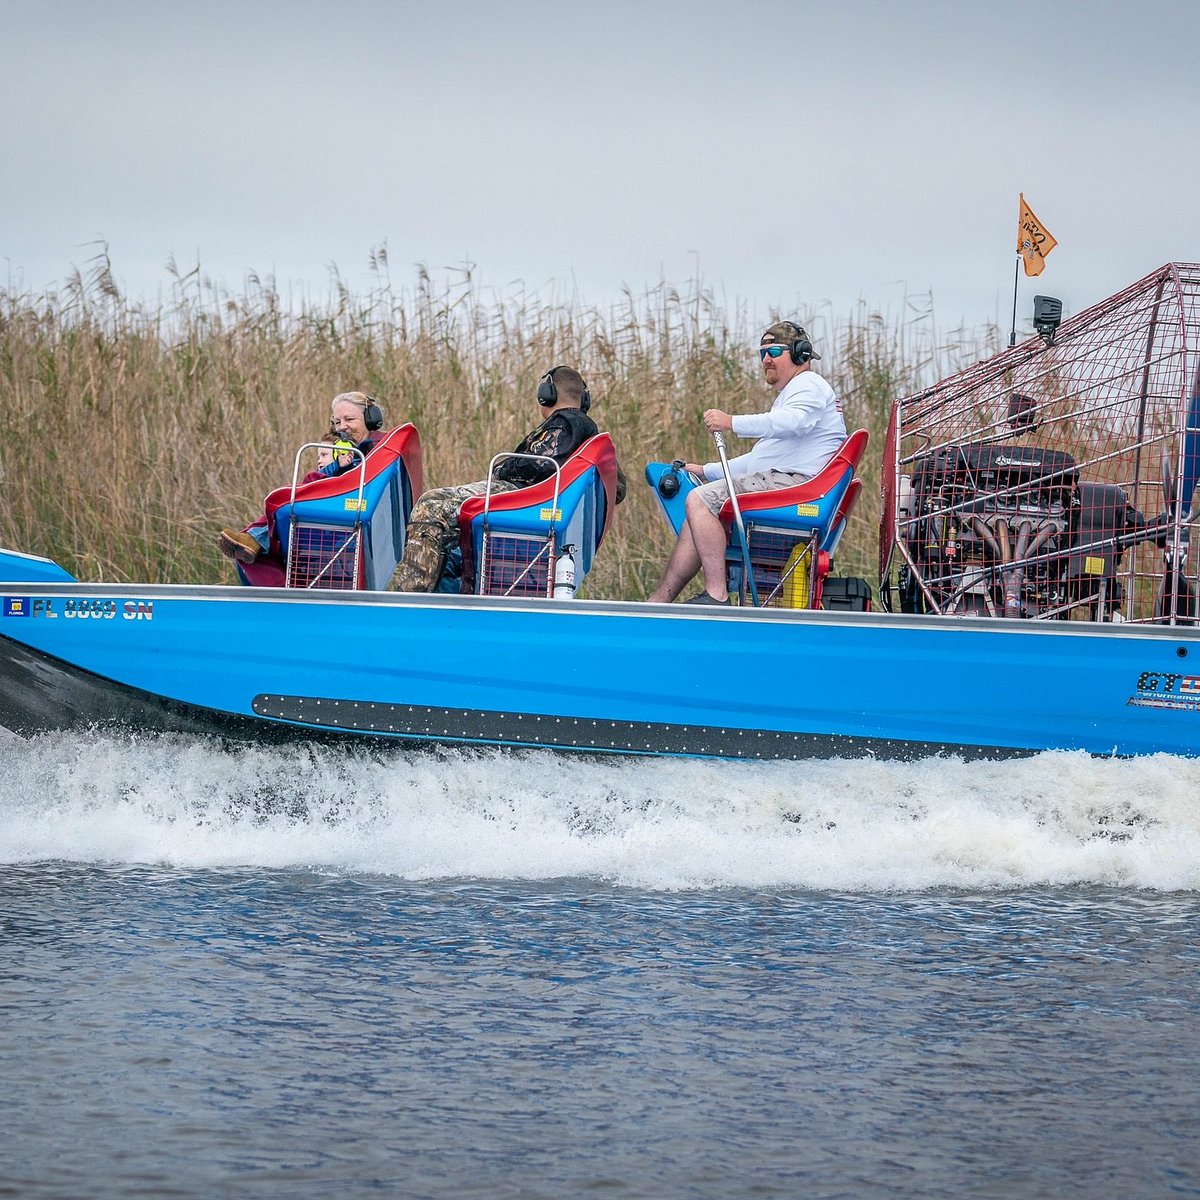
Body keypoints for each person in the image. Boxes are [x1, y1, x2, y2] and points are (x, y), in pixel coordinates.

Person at [647, 320, 846, 605]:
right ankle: (657, 604)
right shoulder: (793, 395)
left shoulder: (808, 384)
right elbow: (759, 460)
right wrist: (706, 470)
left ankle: (716, 595)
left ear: (800, 354)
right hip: (790, 480)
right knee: (697, 515)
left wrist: (731, 422)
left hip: (799, 487)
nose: (766, 359)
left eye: (774, 351)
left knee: (700, 502)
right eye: (762, 353)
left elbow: (794, 421)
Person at [391, 365, 624, 592]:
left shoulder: (567, 422)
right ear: (585, 399)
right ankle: (435, 592)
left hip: (522, 496)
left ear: (547, 395)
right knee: (447, 530)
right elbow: (619, 487)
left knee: (431, 504)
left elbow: (539, 464)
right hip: (538, 499)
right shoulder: (589, 434)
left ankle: (411, 593)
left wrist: (503, 468)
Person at [218, 391, 386, 564]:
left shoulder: (376, 450)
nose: (342, 427)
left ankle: (255, 539)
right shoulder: (346, 450)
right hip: (339, 504)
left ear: (370, 419)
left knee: (286, 505)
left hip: (349, 507)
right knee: (287, 500)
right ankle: (254, 541)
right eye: (337, 422)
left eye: (349, 420)